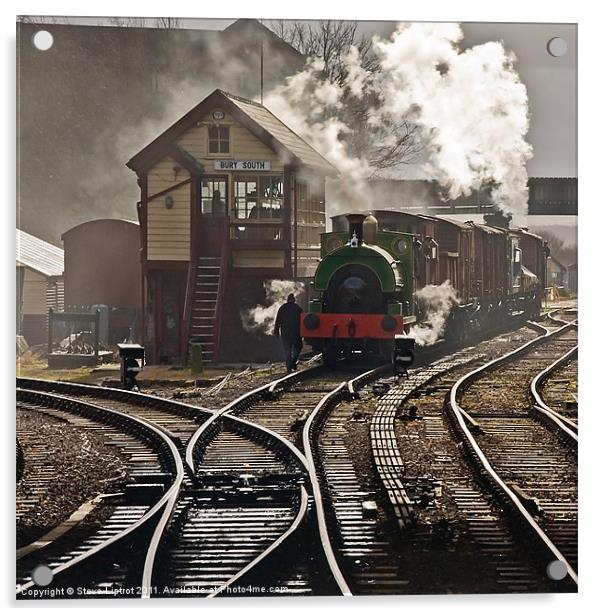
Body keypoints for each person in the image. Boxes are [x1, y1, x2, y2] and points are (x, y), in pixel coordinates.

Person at [274, 293, 303, 373]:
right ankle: (293, 361)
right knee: (298, 347)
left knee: (287, 349)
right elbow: (302, 321)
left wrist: (276, 331)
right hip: (296, 332)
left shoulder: (282, 308)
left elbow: (278, 321)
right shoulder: (298, 308)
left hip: (285, 332)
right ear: (293, 300)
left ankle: (289, 366)